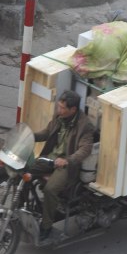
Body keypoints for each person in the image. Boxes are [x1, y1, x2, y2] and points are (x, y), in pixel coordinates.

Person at [33, 90, 95, 241]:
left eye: (62, 108)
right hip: (50, 159)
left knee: (50, 189)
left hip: (66, 165)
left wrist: (68, 160)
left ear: (72, 110)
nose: (58, 110)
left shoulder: (85, 125)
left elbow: (85, 149)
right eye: (58, 106)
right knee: (22, 168)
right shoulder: (60, 116)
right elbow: (47, 132)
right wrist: (31, 136)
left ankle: (46, 226)